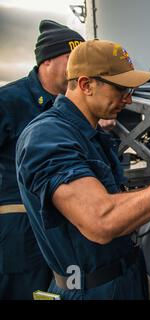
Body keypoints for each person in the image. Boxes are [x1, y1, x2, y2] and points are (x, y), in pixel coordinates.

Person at [15, 39, 150, 300]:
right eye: (121, 89)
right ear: (85, 84)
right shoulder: (47, 136)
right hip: (89, 290)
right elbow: (102, 221)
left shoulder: (91, 134)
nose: (129, 99)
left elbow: (118, 207)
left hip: (123, 281)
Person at [0, 20, 85, 300]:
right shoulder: (9, 100)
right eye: (72, 59)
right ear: (47, 61)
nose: (79, 68)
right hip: (19, 226)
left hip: (67, 225)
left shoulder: (77, 106)